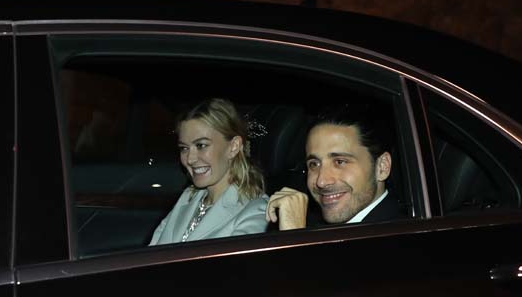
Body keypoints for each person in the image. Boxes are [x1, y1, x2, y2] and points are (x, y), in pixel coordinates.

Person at [149, 98, 268, 245]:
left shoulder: (256, 211)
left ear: (234, 147)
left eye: (201, 145)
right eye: (184, 148)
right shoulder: (188, 198)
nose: (190, 159)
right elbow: (152, 253)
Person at [266, 104, 402, 230]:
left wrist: (293, 239)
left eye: (340, 162)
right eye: (314, 164)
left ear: (382, 167)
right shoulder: (308, 222)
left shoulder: (403, 234)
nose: (321, 181)